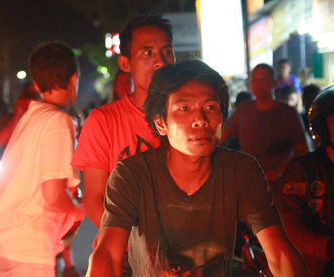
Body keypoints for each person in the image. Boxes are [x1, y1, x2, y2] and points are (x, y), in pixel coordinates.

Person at [87, 59, 309, 277]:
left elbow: (280, 254)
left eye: (210, 107)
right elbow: (107, 254)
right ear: (160, 123)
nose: (200, 119)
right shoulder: (132, 174)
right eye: (184, 108)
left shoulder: (241, 170)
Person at [0, 41, 85, 276]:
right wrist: (81, 210)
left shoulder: (30, 117)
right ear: (73, 79)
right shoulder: (59, 121)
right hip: (24, 249)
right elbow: (53, 196)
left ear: (36, 82)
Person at [72, 15, 175, 231]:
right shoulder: (104, 121)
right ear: (125, 63)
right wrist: (137, 247)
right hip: (123, 256)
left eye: (166, 51)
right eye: (148, 52)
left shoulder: (187, 115)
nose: (160, 61)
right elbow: (94, 201)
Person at [276, 85, 334, 277]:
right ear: (322, 127)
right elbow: (290, 229)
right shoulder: (302, 171)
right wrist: (328, 246)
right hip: (314, 269)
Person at [221, 63, 308, 188]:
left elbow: (302, 149)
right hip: (249, 181)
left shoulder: (287, 112)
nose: (259, 84)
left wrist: (280, 171)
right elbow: (224, 138)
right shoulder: (243, 110)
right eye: (255, 80)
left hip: (280, 183)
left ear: (274, 83)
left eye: (264, 80)